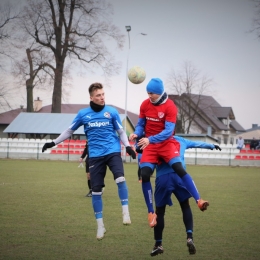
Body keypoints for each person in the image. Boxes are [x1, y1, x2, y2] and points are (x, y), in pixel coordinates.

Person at [42, 82, 136, 240]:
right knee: (96, 191)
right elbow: (69, 131)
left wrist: (127, 147)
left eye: (103, 94)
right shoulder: (83, 114)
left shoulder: (112, 112)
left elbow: (121, 131)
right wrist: (53, 142)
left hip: (112, 151)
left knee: (120, 178)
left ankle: (125, 212)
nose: (102, 97)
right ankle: (100, 226)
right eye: (98, 95)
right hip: (95, 155)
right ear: (91, 97)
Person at [129, 78, 208, 228]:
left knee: (179, 168)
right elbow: (140, 125)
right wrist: (136, 134)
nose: (149, 96)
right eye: (148, 92)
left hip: (165, 143)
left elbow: (168, 132)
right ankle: (151, 213)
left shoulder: (170, 106)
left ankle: (199, 200)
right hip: (150, 145)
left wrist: (150, 139)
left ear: (159, 93)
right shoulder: (145, 105)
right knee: (145, 174)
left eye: (151, 93)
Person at [150, 136, 221, 256]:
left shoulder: (156, 140)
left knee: (160, 212)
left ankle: (158, 244)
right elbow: (198, 144)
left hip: (162, 178)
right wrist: (212, 146)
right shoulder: (181, 140)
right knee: (185, 206)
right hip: (180, 176)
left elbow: (145, 155)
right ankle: (189, 237)